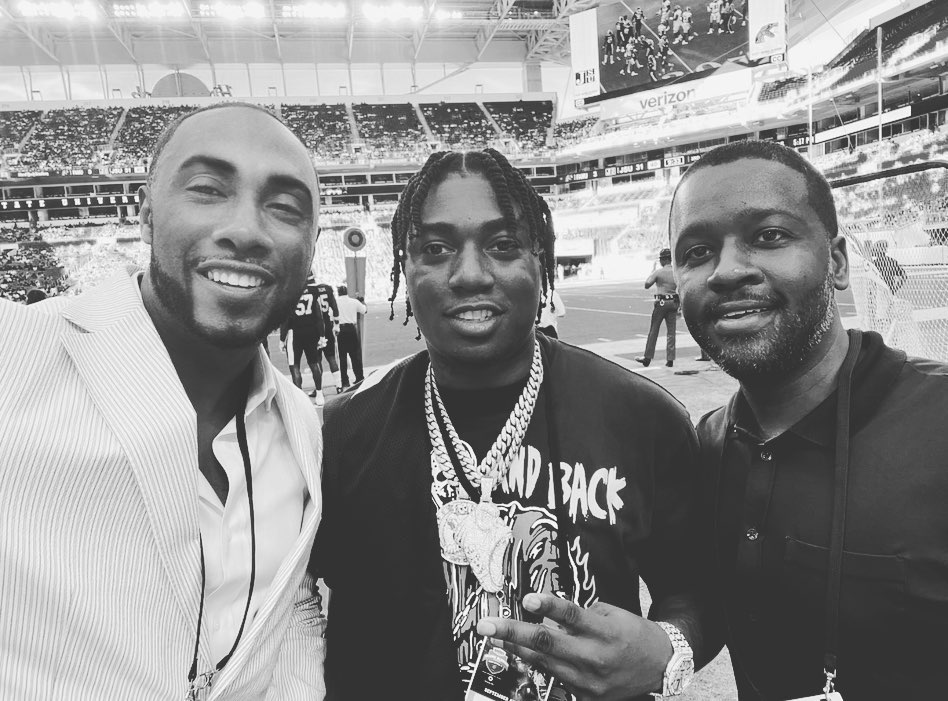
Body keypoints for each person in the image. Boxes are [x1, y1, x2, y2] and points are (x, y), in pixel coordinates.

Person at [312, 148, 711, 700]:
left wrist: (669, 649)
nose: (470, 275)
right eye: (435, 249)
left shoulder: (642, 416)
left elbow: (697, 587)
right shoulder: (339, 434)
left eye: (502, 245)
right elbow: (295, 608)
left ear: (539, 261)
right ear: (406, 268)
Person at [0, 102, 326, 699]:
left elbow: (284, 629)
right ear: (146, 215)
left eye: (284, 207)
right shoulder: (15, 351)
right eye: (208, 189)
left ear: (311, 246)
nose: (246, 230)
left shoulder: (301, 425)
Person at [669, 139, 948, 699]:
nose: (727, 271)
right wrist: (668, 646)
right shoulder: (707, 446)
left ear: (837, 263)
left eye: (769, 236)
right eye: (697, 251)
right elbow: (712, 603)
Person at [280, 273, 329, 406]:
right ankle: (319, 394)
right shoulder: (313, 291)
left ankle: (299, 399)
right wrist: (322, 335)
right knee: (314, 364)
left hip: (294, 334)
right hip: (311, 332)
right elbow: (319, 316)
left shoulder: (289, 293)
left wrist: (282, 339)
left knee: (294, 366)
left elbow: (285, 320)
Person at [636, 247, 679, 368]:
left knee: (654, 330)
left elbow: (647, 284)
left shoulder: (659, 272)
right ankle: (670, 359)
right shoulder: (676, 272)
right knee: (671, 332)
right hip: (674, 302)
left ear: (663, 260)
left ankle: (647, 358)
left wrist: (653, 271)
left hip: (662, 303)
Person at [334, 284, 367, 390]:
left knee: (342, 357)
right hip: (352, 329)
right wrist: (361, 301)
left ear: (338, 293)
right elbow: (364, 310)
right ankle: (359, 377)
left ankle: (345, 381)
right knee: (355, 356)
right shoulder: (354, 302)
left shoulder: (335, 302)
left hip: (341, 330)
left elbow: (331, 315)